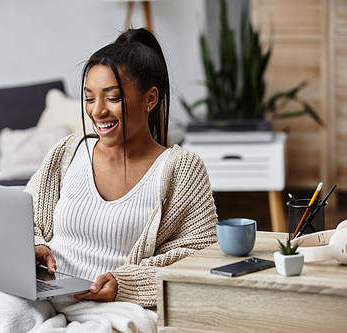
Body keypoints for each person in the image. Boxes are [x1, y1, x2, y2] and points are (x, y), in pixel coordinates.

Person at [27, 28, 217, 308]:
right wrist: (36, 246)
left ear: (150, 99)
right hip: (43, 296)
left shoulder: (182, 170)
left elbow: (200, 256)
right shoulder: (68, 152)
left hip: (112, 309)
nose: (97, 111)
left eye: (112, 98)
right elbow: (24, 219)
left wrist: (124, 285)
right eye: (89, 98)